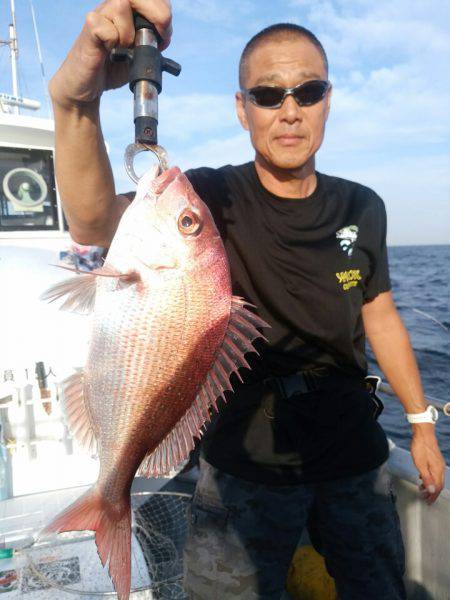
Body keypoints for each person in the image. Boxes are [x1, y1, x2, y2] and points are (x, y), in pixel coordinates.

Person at [48, 1, 446, 598]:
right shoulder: (210, 197)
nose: (289, 111)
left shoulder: (363, 205)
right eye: (267, 94)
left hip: (354, 455)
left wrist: (420, 424)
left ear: (328, 101)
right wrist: (75, 103)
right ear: (242, 108)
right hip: (243, 466)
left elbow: (379, 310)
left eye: (308, 91)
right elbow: (92, 222)